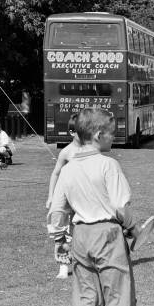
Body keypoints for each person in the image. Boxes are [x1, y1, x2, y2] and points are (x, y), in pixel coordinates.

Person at [47, 108, 145, 306]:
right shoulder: (108, 164)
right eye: (112, 133)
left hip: (79, 237)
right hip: (107, 235)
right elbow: (121, 205)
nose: (114, 138)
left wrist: (58, 239)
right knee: (118, 297)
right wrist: (131, 226)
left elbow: (58, 211)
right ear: (99, 135)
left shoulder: (68, 169)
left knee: (85, 300)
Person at [46, 114, 83, 279]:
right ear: (71, 132)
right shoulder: (66, 152)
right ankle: (63, 266)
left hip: (81, 199)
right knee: (60, 231)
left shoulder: (90, 151)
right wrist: (50, 196)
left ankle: (82, 262)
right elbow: (55, 174)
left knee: (77, 231)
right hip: (64, 199)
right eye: (80, 131)